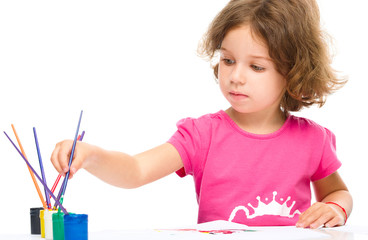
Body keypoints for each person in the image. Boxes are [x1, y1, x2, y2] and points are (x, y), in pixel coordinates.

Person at [51, 0, 352, 229]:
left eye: (256, 66)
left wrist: (336, 209)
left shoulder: (312, 140)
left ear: (293, 73)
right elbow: (136, 170)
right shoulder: (202, 135)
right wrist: (90, 155)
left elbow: (338, 192)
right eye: (228, 60)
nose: (236, 76)